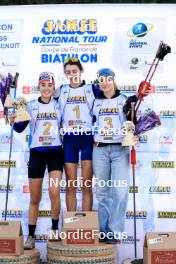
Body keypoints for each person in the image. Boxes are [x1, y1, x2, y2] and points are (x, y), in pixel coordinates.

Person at [9, 72, 63, 249]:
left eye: (49, 85)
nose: (46, 88)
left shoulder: (59, 105)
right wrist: (13, 119)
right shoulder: (31, 106)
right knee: (35, 197)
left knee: (54, 192)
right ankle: (30, 237)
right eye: (43, 85)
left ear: (53, 87)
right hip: (37, 153)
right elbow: (18, 128)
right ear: (38, 87)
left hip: (55, 152)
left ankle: (55, 230)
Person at [92, 68, 140, 244]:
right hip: (100, 150)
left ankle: (115, 231)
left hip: (120, 150)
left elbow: (134, 123)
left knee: (120, 192)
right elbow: (89, 122)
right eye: (101, 79)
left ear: (113, 80)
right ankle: (103, 231)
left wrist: (136, 136)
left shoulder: (124, 100)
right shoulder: (95, 101)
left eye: (108, 79)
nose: (105, 82)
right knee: (103, 193)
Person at [55, 57, 99, 211]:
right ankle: (72, 224)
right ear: (65, 74)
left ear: (81, 71)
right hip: (69, 140)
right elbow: (45, 104)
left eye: (74, 71)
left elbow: (109, 99)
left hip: (87, 138)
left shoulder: (92, 88)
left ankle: (85, 224)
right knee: (71, 185)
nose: (72, 74)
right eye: (68, 72)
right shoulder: (61, 90)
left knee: (86, 185)